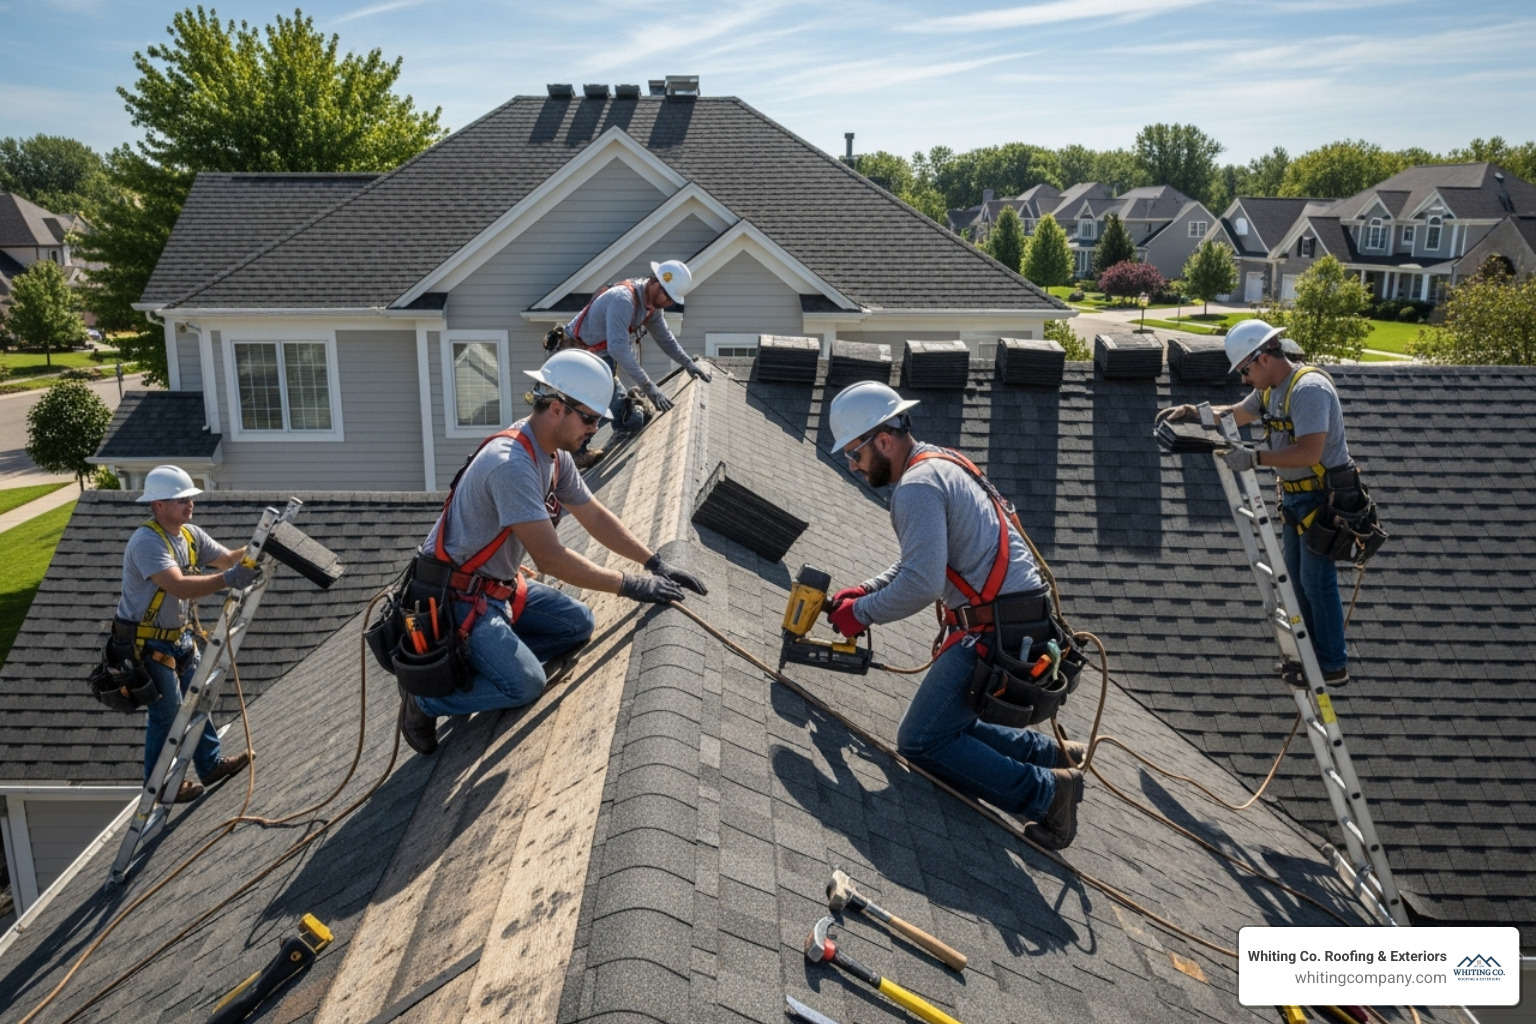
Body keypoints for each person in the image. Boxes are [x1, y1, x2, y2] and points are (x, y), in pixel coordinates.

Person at [397, 349, 709, 755]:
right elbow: (551, 560)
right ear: (558, 408)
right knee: (526, 684)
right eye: (590, 419)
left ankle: (480, 660)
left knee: (577, 624)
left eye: (598, 421)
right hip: (456, 601)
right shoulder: (511, 465)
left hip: (494, 588)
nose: (595, 430)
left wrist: (654, 562)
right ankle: (426, 699)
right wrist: (634, 585)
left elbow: (594, 516)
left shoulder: (554, 456)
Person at [822, 382, 1087, 850]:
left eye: (854, 454)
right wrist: (866, 590)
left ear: (882, 440)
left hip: (995, 629)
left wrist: (860, 614)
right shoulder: (941, 462)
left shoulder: (916, 488)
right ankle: (1055, 756)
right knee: (946, 721)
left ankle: (1048, 795)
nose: (853, 466)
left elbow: (922, 583)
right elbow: (926, 563)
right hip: (1017, 618)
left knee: (922, 739)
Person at [1155, 319, 1354, 685]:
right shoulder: (1270, 392)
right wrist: (1192, 412)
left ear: (1263, 358)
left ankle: (1332, 665)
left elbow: (1310, 452)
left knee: (1316, 581)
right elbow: (1235, 414)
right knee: (1297, 582)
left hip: (1322, 499)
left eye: (1245, 371)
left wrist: (1254, 458)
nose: (1244, 379)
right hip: (1297, 499)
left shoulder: (1308, 390)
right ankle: (1312, 658)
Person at [115, 465, 255, 802]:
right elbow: (179, 586)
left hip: (179, 637)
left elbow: (227, 559)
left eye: (190, 498)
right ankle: (159, 785)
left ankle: (210, 765)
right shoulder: (147, 542)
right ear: (158, 505)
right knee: (167, 715)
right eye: (180, 500)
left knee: (198, 701)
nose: (189, 504)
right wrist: (229, 580)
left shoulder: (190, 535)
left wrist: (260, 546)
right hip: (147, 643)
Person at [559, 259, 712, 467]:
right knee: (597, 407)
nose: (668, 302)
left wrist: (688, 364)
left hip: (601, 357)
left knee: (631, 418)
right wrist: (648, 387)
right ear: (654, 281)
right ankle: (574, 453)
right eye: (666, 296)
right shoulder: (623, 300)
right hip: (578, 357)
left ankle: (615, 425)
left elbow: (665, 339)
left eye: (671, 300)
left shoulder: (652, 307)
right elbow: (618, 348)